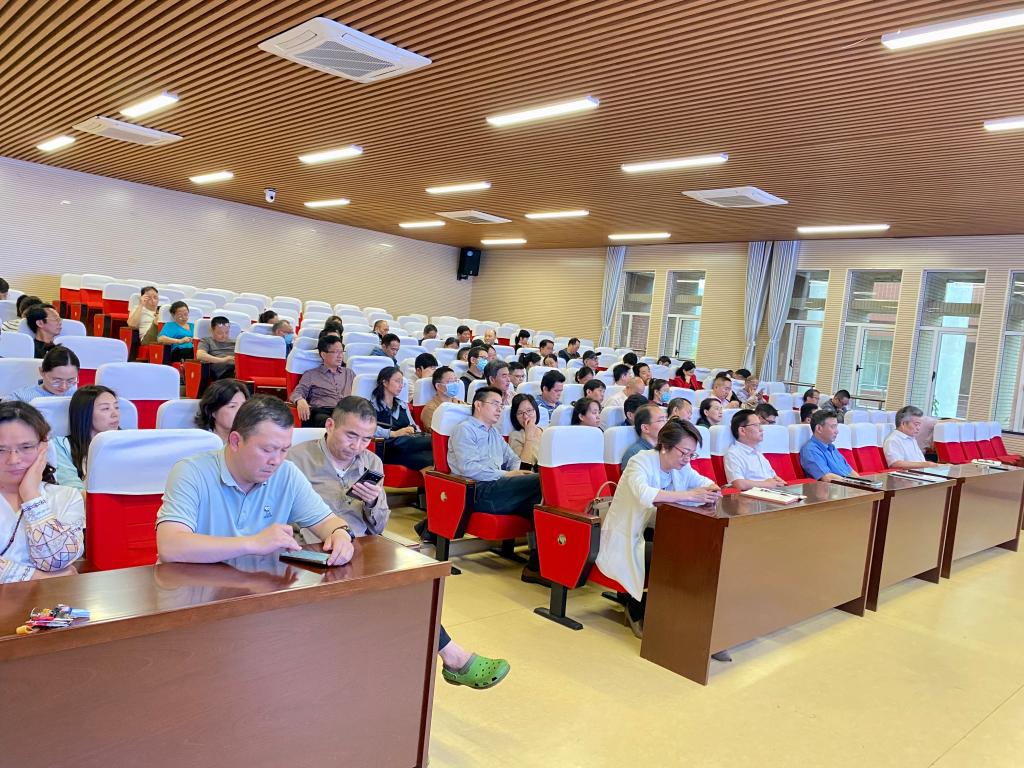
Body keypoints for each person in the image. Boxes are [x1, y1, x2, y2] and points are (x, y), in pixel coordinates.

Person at [288, 396, 510, 689]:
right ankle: (454, 658)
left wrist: (372, 503)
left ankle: (443, 661)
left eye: (366, 439)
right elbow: (285, 518)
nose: (357, 446)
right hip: (315, 553)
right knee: (391, 595)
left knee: (414, 584)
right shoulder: (296, 461)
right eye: (351, 435)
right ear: (330, 425)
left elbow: (379, 525)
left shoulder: (371, 462)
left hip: (363, 549)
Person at [156, 395, 356, 568]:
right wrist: (253, 543)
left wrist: (341, 535)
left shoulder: (287, 473)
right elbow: (170, 546)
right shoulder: (191, 472)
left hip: (258, 587)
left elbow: (328, 522)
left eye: (284, 450)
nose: (276, 460)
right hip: (196, 587)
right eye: (267, 450)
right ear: (236, 441)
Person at [596, 419, 721, 638]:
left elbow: (702, 481)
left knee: (692, 548)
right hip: (626, 536)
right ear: (664, 446)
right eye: (684, 453)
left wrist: (712, 489)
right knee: (672, 554)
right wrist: (690, 495)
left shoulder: (681, 466)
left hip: (653, 530)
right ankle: (636, 608)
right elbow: (644, 494)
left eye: (692, 454)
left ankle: (678, 609)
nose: (687, 459)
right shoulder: (640, 462)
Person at [448, 387, 543, 583]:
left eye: (501, 405)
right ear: (478, 405)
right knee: (541, 481)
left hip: (498, 489)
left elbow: (513, 459)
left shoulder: (494, 433)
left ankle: (536, 566)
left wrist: (518, 472)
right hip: (477, 491)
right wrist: (508, 474)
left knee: (539, 505)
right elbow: (468, 468)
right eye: (495, 404)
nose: (500, 409)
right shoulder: (465, 429)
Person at [0, 401, 83, 583]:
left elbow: (56, 561)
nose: (13, 460)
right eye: (1, 450)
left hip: (49, 599)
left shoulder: (66, 497)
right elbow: (56, 575)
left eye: (26, 447)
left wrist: (31, 496)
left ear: (44, 447)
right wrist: (38, 577)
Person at [52, 385, 121, 491]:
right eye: (105, 408)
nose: (115, 414)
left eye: (116, 407)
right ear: (85, 413)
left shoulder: (127, 442)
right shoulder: (62, 446)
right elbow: (72, 490)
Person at [371, 366, 433, 471]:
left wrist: (413, 429)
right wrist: (394, 433)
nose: (401, 386)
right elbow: (368, 428)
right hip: (388, 449)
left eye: (402, 382)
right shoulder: (371, 406)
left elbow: (414, 425)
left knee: (431, 455)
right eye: (397, 381)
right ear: (384, 382)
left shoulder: (402, 405)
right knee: (424, 455)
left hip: (408, 445)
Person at [290, 334, 355, 427]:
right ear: (323, 354)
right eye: (336, 352)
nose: (340, 356)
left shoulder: (349, 373)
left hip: (348, 412)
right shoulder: (311, 374)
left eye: (342, 352)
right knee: (324, 420)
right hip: (323, 412)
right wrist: (300, 400)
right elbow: (298, 392)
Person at [724, 410, 787, 491]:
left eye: (760, 425)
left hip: (770, 493)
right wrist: (767, 484)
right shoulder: (733, 454)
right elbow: (739, 484)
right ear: (742, 430)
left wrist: (778, 481)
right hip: (753, 496)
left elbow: (772, 477)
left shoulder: (758, 452)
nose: (761, 429)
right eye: (756, 425)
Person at [799, 410, 859, 482]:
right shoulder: (810, 450)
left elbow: (850, 471)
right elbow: (827, 477)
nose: (837, 431)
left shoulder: (832, 447)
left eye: (836, 427)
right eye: (833, 427)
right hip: (835, 487)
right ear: (819, 429)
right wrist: (853, 483)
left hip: (847, 485)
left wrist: (862, 483)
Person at [4, 346, 79, 402]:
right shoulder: (20, 398)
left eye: (70, 381)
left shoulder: (77, 395)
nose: (64, 387)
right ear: (42, 371)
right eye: (57, 380)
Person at [195, 378, 250, 443]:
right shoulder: (202, 442)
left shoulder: (250, 439)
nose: (241, 411)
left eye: (243, 405)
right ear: (213, 411)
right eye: (232, 406)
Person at [620, 402, 668, 470]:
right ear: (645, 428)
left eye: (666, 419)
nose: (667, 424)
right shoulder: (634, 454)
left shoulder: (666, 448)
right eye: (661, 420)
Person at [420, 366, 463, 433]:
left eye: (456, 381)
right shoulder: (430, 409)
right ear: (438, 386)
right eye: (450, 381)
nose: (455, 384)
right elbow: (436, 433)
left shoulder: (460, 403)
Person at [196, 315, 236, 380]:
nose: (224, 336)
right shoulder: (206, 341)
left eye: (227, 332)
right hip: (224, 372)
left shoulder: (236, 342)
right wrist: (223, 360)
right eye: (220, 333)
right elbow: (200, 355)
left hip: (238, 368)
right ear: (212, 330)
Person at [508, 393, 542, 468]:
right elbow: (523, 469)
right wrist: (529, 438)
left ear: (536, 411)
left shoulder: (547, 432)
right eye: (520, 413)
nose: (525, 416)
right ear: (515, 417)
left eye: (529, 410)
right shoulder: (515, 436)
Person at [157, 300, 195, 365]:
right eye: (180, 315)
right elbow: (160, 339)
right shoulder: (170, 325)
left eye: (186, 314)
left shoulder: (193, 326)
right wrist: (179, 341)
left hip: (193, 350)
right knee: (190, 352)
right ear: (173, 315)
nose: (184, 317)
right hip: (179, 351)